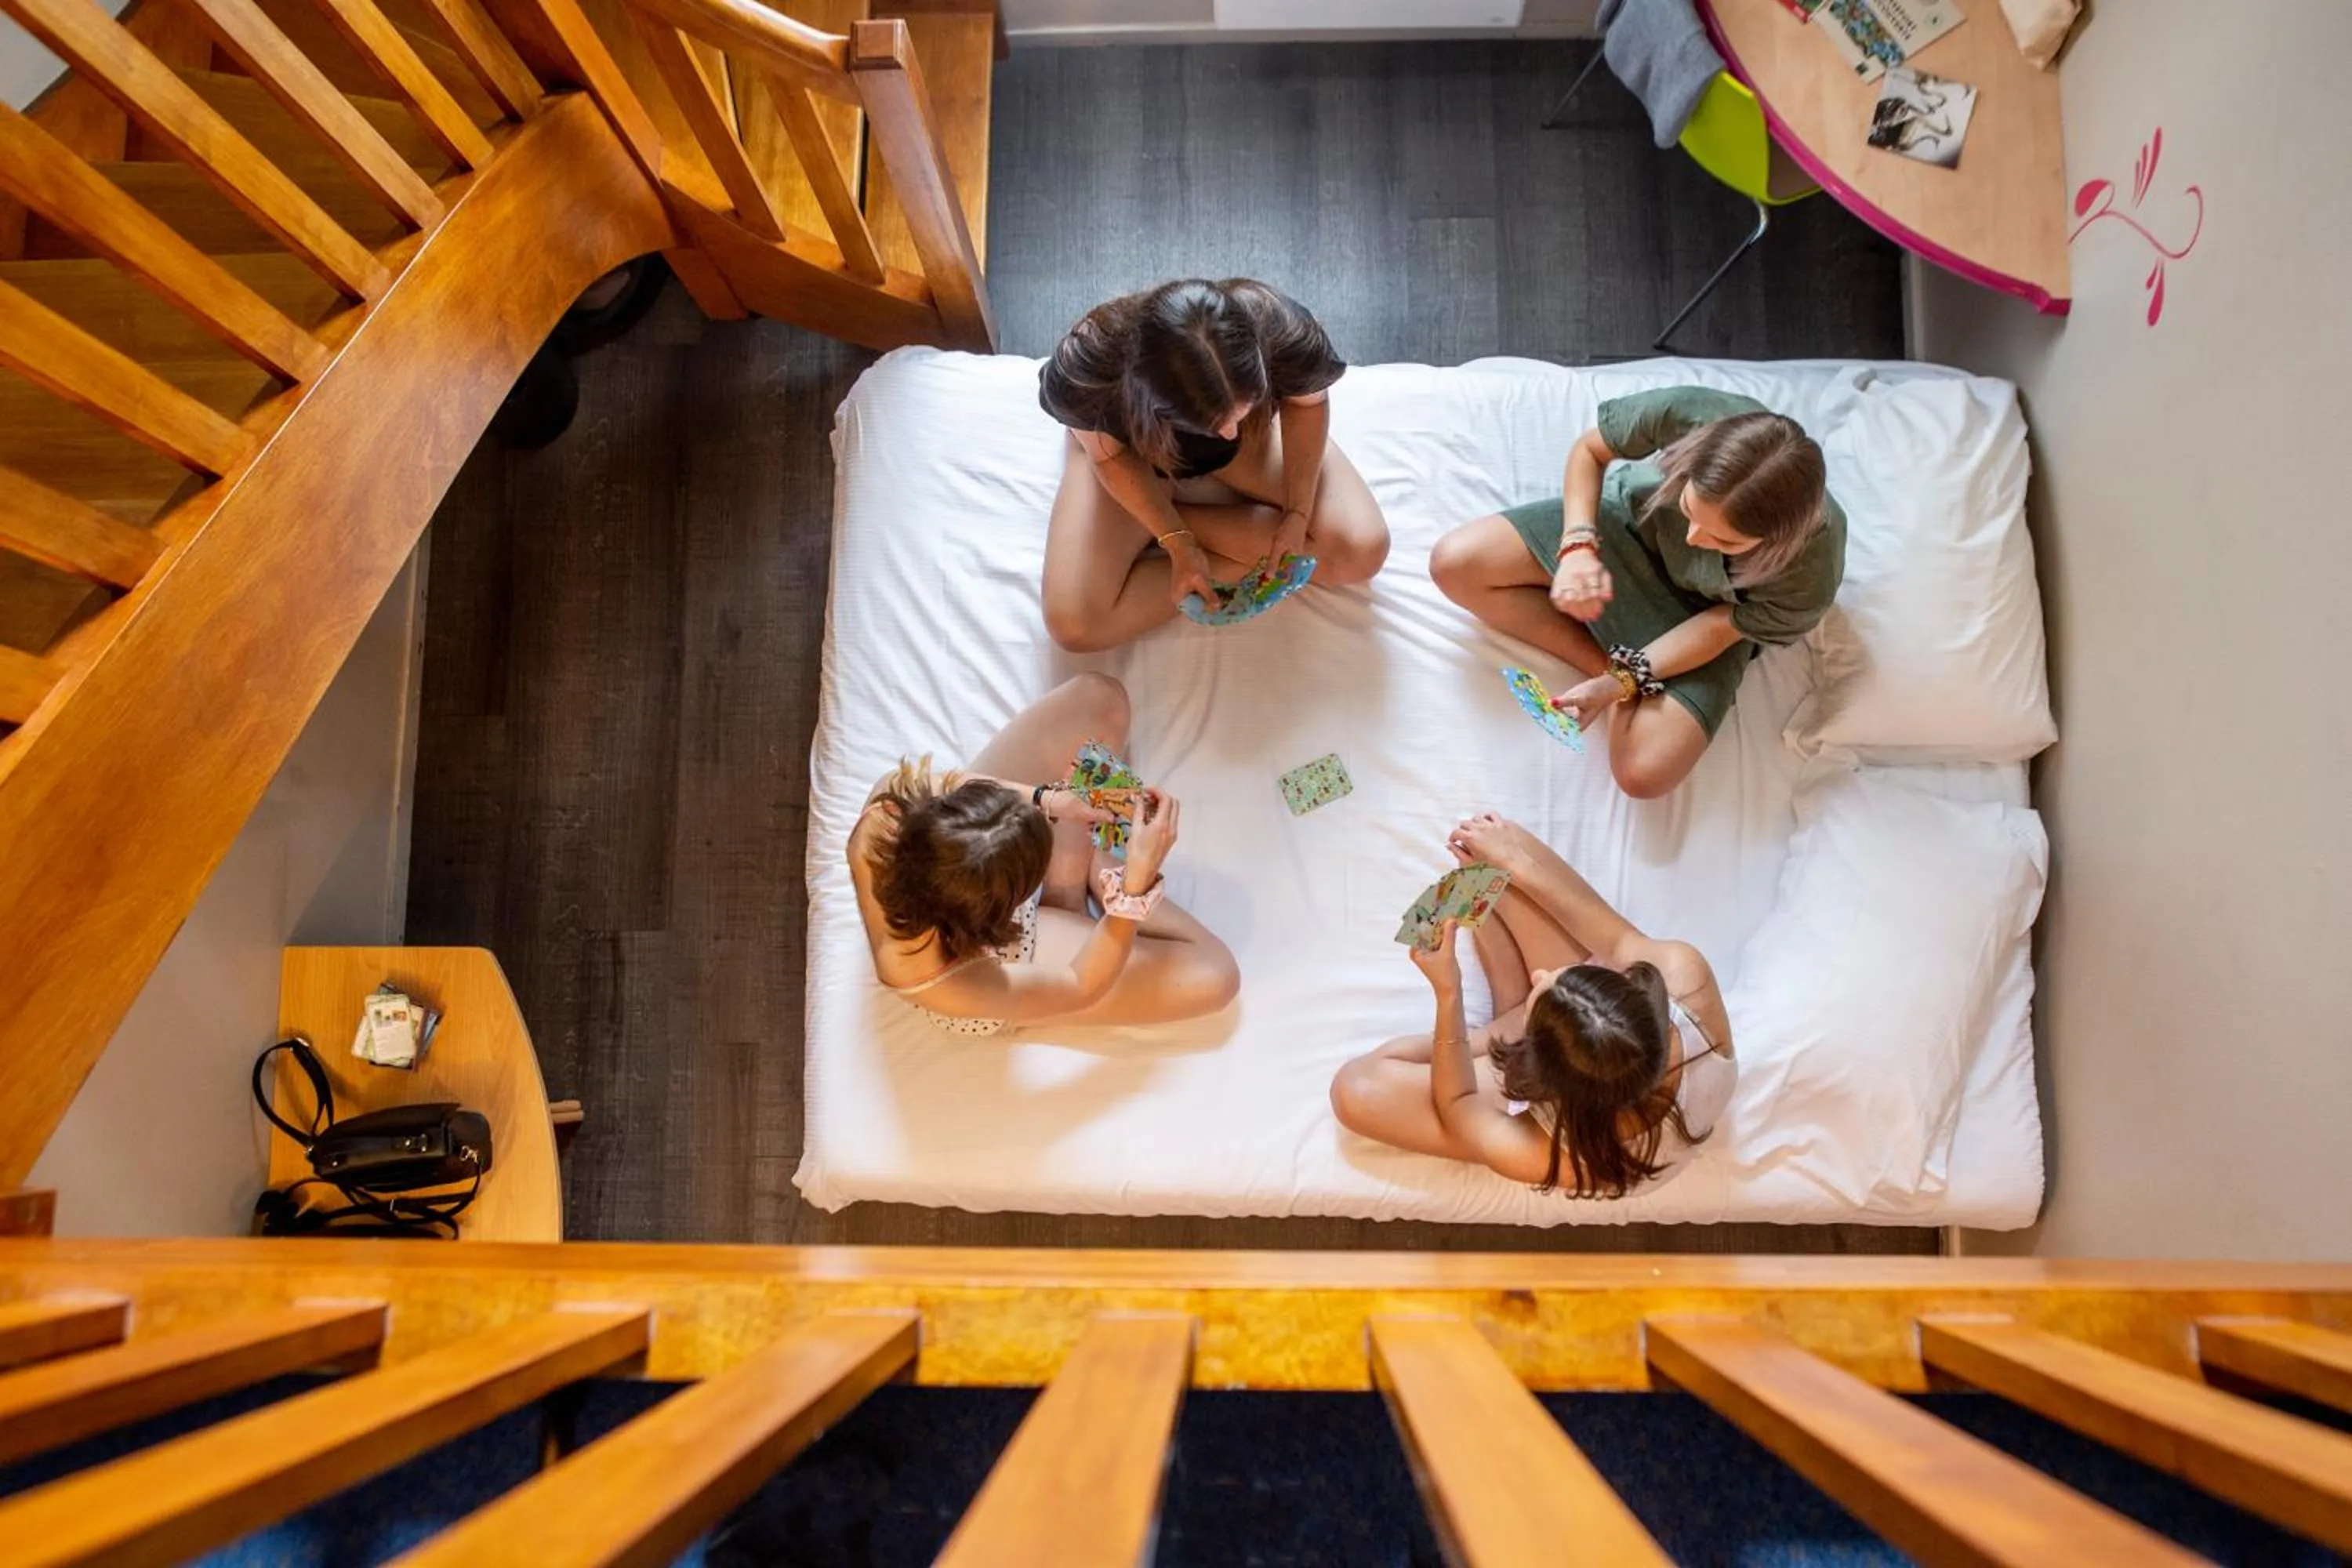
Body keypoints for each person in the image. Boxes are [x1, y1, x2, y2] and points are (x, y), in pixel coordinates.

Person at [1429, 386, 1844, 798]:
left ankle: (1622, 678)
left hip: (1703, 615)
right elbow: (1590, 451)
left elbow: (1720, 628)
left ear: (1778, 542)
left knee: (1643, 775)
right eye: (1689, 509)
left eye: (1725, 541)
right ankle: (1606, 668)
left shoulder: (1811, 575)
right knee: (1455, 564)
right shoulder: (1698, 415)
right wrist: (1577, 546)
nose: (1694, 538)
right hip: (1629, 528)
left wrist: (1620, 684)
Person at [1329, 813, 1735, 1198]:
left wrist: (1448, 991)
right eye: (1569, 977)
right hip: (1587, 1068)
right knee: (1493, 849)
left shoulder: (1556, 1156)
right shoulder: (1684, 976)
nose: (1541, 974)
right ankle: (1513, 1005)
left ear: (1541, 1077)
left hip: (1575, 1115)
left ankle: (1504, 1014)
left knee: (1356, 1089)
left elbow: (1458, 1106)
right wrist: (1515, 863)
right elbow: (1616, 941)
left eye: (1537, 998)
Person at [849, 673, 1239, 1034]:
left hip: (973, 883)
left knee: (1099, 700)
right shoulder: (945, 981)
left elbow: (953, 783)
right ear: (1003, 913)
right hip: (997, 954)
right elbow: (1080, 985)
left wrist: (1049, 800)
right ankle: (1075, 890)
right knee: (1216, 975)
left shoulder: (889, 813)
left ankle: (1071, 889)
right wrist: (1134, 886)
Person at [1038, 278, 1391, 652]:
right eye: (1215, 424)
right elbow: (1109, 456)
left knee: (1361, 551)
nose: (1228, 433)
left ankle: (1172, 525)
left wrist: (1296, 514)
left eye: (1244, 409)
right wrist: (1176, 541)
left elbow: (1308, 404)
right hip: (1131, 455)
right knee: (1075, 625)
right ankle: (1166, 526)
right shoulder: (1088, 371)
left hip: (1247, 447)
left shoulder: (1280, 327)